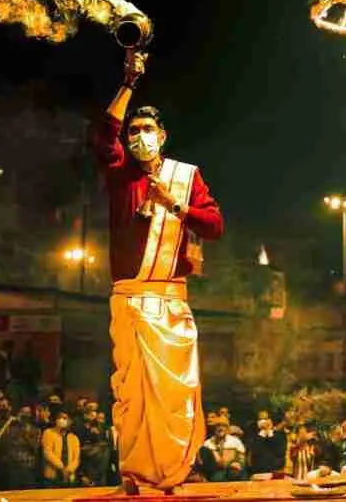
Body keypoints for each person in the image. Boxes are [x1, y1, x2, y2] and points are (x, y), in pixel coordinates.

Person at [92, 49, 225, 493]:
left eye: (147, 130)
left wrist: (176, 206)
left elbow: (215, 226)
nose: (139, 137)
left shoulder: (186, 176)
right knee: (133, 394)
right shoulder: (120, 173)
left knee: (172, 397)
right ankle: (135, 473)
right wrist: (128, 83)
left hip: (170, 303)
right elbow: (102, 133)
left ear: (163, 135)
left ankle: (172, 472)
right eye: (134, 130)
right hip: (131, 300)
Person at [41, 410, 81, 487]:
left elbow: (76, 458)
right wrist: (61, 467)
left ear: (70, 421)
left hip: (68, 477)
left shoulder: (74, 437)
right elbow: (47, 452)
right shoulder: (48, 433)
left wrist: (68, 470)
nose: (61, 420)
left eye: (65, 418)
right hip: (52, 476)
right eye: (59, 418)